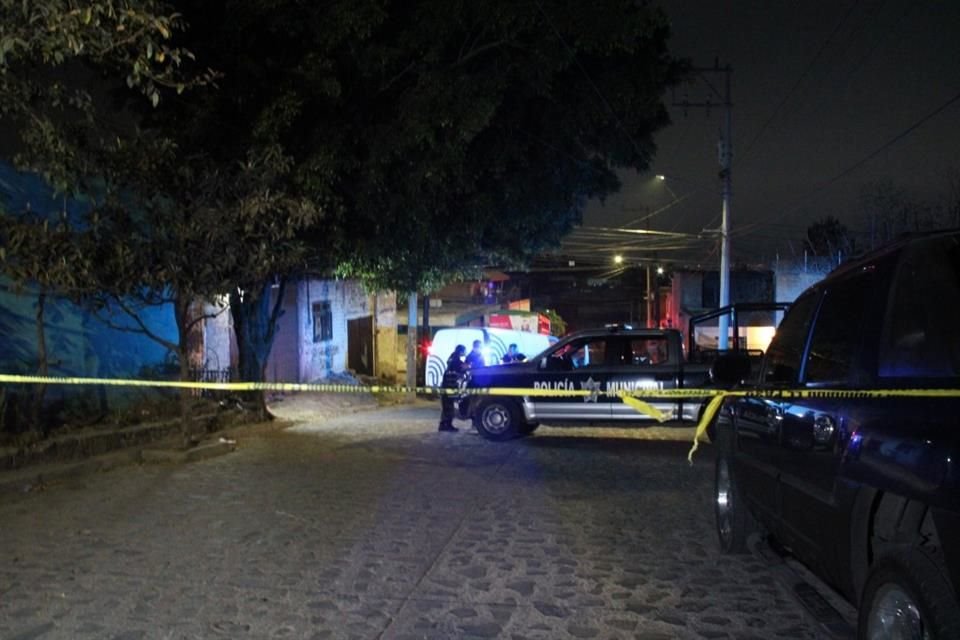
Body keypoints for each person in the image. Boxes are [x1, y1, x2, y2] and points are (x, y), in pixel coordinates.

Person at [438, 344, 467, 432]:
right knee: (449, 407)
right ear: (461, 351)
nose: (465, 353)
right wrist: (465, 367)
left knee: (446, 406)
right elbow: (459, 368)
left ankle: (443, 425)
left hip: (447, 386)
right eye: (464, 351)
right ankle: (447, 425)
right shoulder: (456, 360)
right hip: (449, 386)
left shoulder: (453, 358)